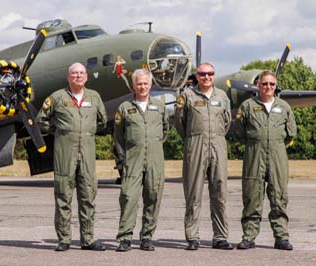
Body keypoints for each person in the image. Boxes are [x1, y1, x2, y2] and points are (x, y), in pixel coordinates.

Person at [36, 62, 108, 252]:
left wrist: (86, 132)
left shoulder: (94, 97)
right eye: (74, 73)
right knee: (63, 196)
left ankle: (88, 239)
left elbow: (102, 121)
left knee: (88, 196)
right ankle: (64, 239)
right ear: (68, 77)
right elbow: (41, 120)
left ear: (86, 77)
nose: (78, 76)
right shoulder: (57, 97)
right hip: (64, 154)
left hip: (87, 154)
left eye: (81, 73)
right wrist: (61, 132)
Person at [174, 63, 233, 250]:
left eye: (210, 73)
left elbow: (227, 121)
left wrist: (215, 137)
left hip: (218, 145)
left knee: (220, 192)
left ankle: (220, 237)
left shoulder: (222, 96)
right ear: (197, 76)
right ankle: (193, 236)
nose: (206, 77)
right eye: (202, 74)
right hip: (196, 145)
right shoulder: (187, 96)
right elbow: (179, 123)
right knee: (193, 193)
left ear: (214, 75)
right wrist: (193, 138)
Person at [235, 70, 297, 250]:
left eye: (271, 84)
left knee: (279, 197)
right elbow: (239, 132)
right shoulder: (247, 106)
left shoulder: (284, 107)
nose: (268, 87)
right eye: (264, 84)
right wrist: (256, 143)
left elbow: (291, 133)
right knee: (252, 196)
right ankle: (249, 236)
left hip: (278, 156)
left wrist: (275, 145)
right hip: (254, 155)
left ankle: (281, 237)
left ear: (275, 86)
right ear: (258, 85)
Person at [114, 69, 168, 252]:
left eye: (145, 83)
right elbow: (118, 137)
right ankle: (125, 238)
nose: (142, 86)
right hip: (132, 161)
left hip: (155, 161)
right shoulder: (124, 108)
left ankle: (147, 237)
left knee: (153, 197)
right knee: (128, 198)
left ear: (150, 85)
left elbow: (165, 131)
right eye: (139, 83)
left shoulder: (160, 107)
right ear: (133, 86)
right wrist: (123, 160)